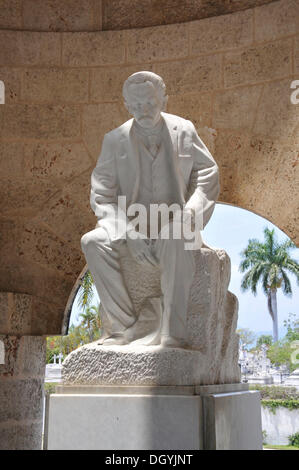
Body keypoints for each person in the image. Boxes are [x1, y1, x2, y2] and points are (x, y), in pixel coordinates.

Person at [81, 71, 219, 347]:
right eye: (137, 105)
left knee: (176, 234)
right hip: (131, 226)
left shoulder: (185, 130)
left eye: (150, 103)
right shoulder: (114, 140)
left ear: (164, 100)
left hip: (178, 224)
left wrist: (190, 213)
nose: (144, 110)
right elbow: (102, 195)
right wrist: (129, 234)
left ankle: (173, 332)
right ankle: (125, 327)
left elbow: (208, 174)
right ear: (127, 105)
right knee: (92, 242)